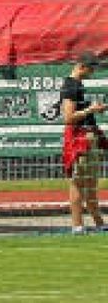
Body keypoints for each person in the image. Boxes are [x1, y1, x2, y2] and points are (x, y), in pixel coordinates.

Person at [60, 53, 108, 234]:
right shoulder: (70, 86)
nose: (93, 72)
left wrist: (95, 110)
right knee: (78, 182)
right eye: (91, 68)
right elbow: (68, 117)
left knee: (91, 182)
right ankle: (77, 225)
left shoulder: (78, 85)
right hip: (80, 138)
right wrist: (91, 109)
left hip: (88, 136)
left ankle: (98, 222)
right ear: (81, 66)